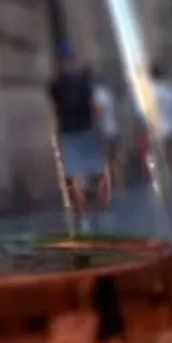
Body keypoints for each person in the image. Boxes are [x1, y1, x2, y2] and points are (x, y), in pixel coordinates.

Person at [48, 45, 107, 222]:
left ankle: (79, 206)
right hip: (86, 127)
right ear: (73, 59)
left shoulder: (55, 83)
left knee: (72, 170)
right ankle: (100, 203)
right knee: (96, 167)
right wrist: (98, 126)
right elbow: (93, 105)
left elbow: (55, 106)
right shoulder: (83, 81)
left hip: (67, 129)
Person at [148, 61, 172, 179]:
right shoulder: (171, 90)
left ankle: (163, 182)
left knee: (159, 160)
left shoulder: (150, 92)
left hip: (158, 130)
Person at [93, 79, 121, 193]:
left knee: (103, 161)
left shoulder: (96, 96)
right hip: (113, 129)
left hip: (103, 132)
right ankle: (117, 185)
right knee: (113, 159)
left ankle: (106, 188)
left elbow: (97, 113)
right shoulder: (107, 93)